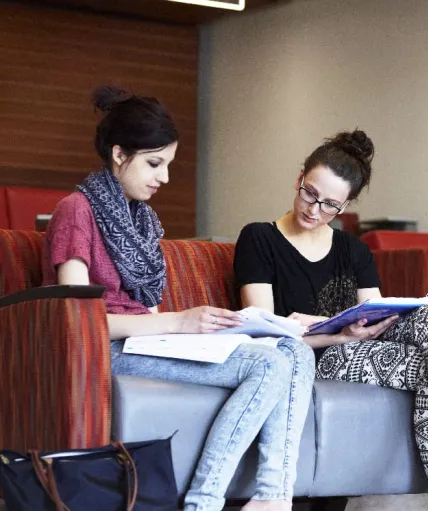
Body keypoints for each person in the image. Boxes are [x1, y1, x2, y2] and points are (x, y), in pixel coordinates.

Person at [42, 85, 314, 511]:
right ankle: (203, 503)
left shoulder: (143, 219)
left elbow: (147, 308)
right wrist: (180, 322)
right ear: (119, 154)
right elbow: (76, 321)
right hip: (105, 349)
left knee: (293, 350)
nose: (164, 177)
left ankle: (273, 497)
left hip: (145, 340)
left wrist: (206, 328)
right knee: (267, 364)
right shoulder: (75, 211)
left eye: (167, 164)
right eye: (154, 163)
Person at [234, 129, 428, 511]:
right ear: (299, 179)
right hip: (314, 355)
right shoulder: (259, 239)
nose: (314, 209)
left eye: (330, 205)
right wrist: (337, 334)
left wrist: (371, 322)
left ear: (345, 206)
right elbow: (265, 331)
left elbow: (376, 317)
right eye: (310, 193)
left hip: (359, 347)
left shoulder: (353, 249)